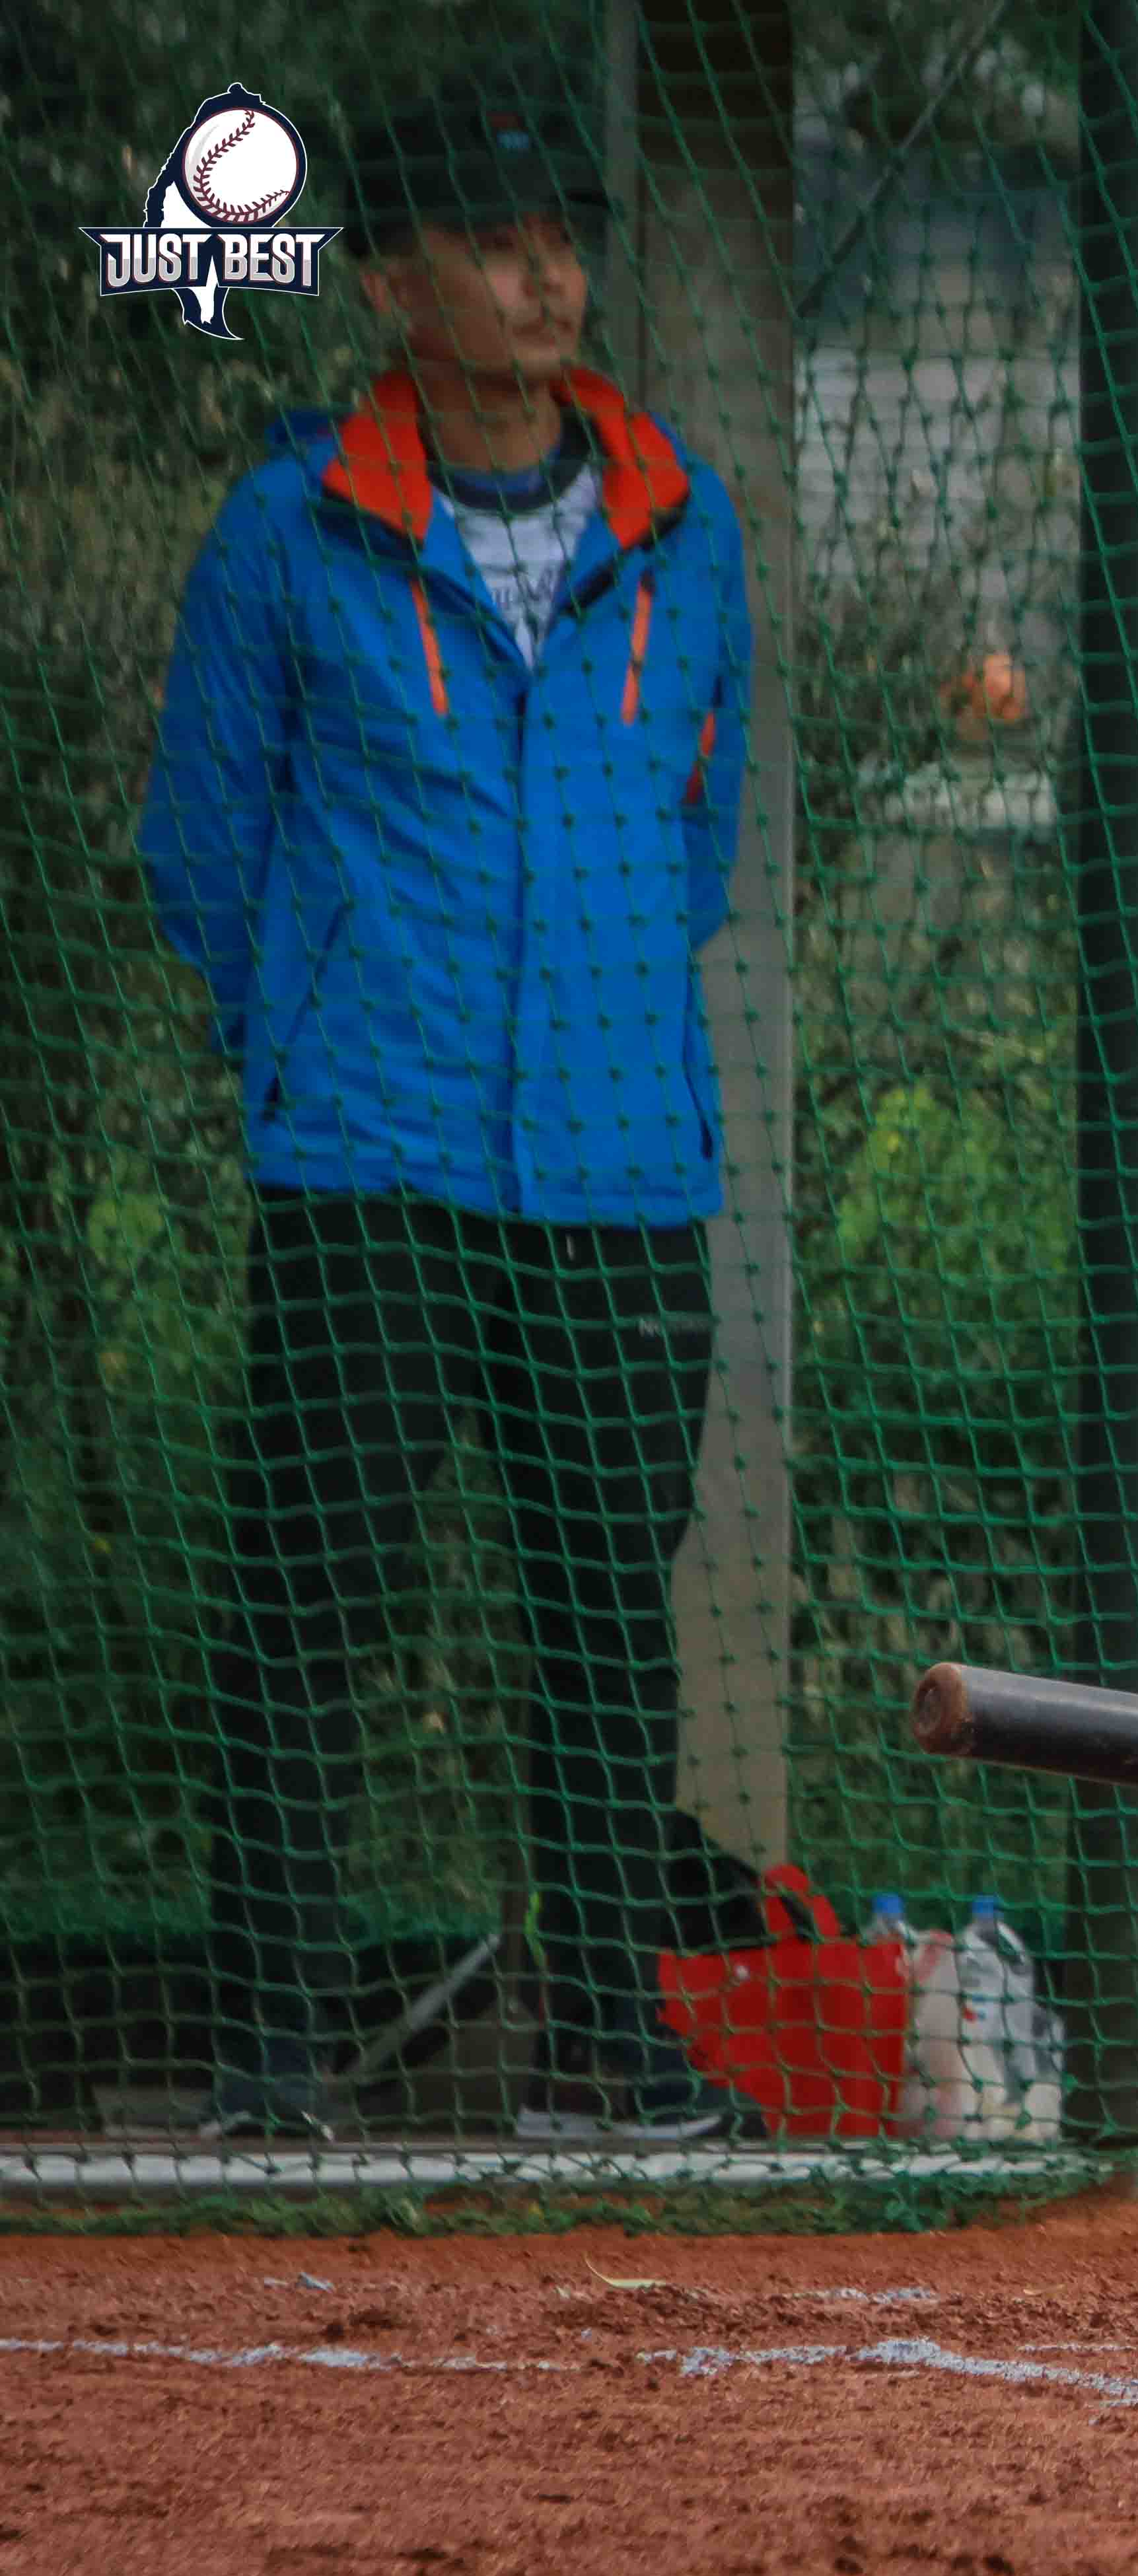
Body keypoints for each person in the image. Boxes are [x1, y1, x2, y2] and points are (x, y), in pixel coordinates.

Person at [140, 85, 763, 2139]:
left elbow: (697, 838)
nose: (544, 275)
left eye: (562, 239)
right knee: (311, 1609)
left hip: (622, 1173)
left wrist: (595, 1023)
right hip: (367, 1166)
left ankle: (605, 2047)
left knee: (605, 1619)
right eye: (495, 244)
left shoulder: (688, 526)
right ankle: (270, 2059)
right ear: (392, 286)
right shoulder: (286, 523)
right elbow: (202, 848)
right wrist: (324, 1035)